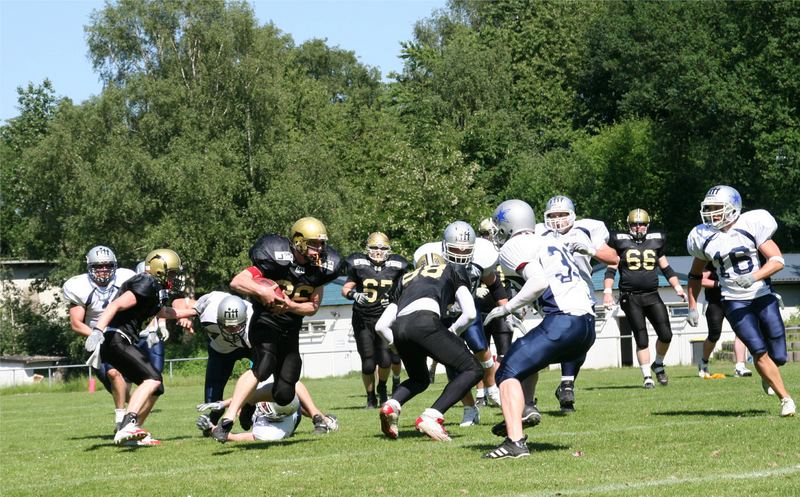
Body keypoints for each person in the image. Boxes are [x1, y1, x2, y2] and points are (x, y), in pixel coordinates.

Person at [212, 217, 344, 443]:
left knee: (285, 394)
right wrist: (261, 291)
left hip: (291, 329)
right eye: (315, 243)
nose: (320, 249)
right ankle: (227, 419)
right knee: (263, 366)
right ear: (299, 241)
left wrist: (290, 306)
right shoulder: (275, 255)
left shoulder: (321, 267)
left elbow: (312, 307)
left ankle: (250, 402)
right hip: (266, 322)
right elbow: (237, 281)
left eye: (322, 244)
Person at [482, 199, 596, 459]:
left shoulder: (514, 245)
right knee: (525, 359)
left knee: (506, 372)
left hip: (563, 322)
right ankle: (526, 408)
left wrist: (506, 308)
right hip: (587, 325)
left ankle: (515, 442)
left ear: (508, 225)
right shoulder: (550, 240)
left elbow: (538, 282)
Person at [686, 185, 795, 417]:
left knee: (779, 356)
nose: (712, 213)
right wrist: (692, 305)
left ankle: (769, 376)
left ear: (733, 208)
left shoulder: (750, 225)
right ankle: (785, 399)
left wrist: (754, 276)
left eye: (717, 208)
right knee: (757, 350)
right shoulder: (704, 237)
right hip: (733, 302)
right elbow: (695, 275)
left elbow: (777, 260)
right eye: (710, 209)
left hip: (761, 296)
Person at [375, 221, 483, 441]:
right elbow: (470, 313)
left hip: (400, 328)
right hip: (425, 322)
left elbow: (381, 326)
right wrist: (452, 332)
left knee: (419, 378)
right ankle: (432, 416)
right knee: (473, 369)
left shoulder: (404, 279)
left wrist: (396, 344)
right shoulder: (453, 268)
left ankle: (391, 405)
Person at [90, 248, 200, 445]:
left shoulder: (156, 289)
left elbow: (164, 312)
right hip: (117, 338)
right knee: (152, 379)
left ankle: (134, 433)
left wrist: (194, 311)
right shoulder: (146, 282)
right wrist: (98, 331)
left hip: (121, 340)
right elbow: (115, 305)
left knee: (157, 388)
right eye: (173, 272)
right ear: (160, 269)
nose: (175, 277)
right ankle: (128, 424)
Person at [411, 221, 512, 427]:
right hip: (443, 314)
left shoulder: (480, 260)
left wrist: (507, 309)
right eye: (455, 249)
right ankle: (469, 408)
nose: (460, 254)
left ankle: (492, 388)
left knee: (481, 348)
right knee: (453, 364)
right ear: (444, 246)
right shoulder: (433, 261)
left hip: (468, 310)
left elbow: (493, 281)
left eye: (465, 250)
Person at [535, 195, 619, 412]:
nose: (558, 219)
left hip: (583, 293)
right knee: (558, 341)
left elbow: (614, 258)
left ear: (572, 215)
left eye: (562, 214)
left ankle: (566, 384)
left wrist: (589, 250)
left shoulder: (587, 229)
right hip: (553, 295)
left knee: (583, 341)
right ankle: (563, 385)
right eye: (553, 215)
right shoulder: (538, 232)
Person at [604, 208, 685, 388]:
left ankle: (658, 364)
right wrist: (608, 292)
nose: (638, 227)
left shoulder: (657, 240)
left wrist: (678, 287)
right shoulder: (619, 241)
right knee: (641, 337)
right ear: (629, 225)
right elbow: (610, 269)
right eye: (634, 224)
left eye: (641, 224)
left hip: (652, 294)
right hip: (630, 296)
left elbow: (666, 268)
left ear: (647, 225)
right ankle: (647, 376)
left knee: (666, 335)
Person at [62, 245, 136, 432]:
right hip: (96, 340)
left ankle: (122, 418)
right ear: (89, 267)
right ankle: (132, 410)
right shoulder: (80, 287)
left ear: (115, 266)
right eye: (98, 266)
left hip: (122, 336)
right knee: (113, 380)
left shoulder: (125, 279)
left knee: (117, 376)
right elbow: (76, 323)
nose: (103, 270)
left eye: (107, 266)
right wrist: (97, 335)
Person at [342, 232, 408, 408]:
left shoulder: (397, 265)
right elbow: (346, 287)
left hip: (385, 319)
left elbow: (405, 289)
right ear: (367, 249)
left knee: (386, 361)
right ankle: (370, 397)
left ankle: (382, 388)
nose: (378, 252)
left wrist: (394, 300)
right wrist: (354, 294)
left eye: (382, 248)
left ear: (388, 250)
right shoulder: (358, 264)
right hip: (363, 318)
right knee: (368, 363)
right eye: (374, 248)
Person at [191, 292, 254, 432]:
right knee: (211, 402)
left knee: (258, 380)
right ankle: (212, 423)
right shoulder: (209, 310)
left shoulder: (254, 326)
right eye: (228, 327)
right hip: (220, 351)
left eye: (235, 327)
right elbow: (180, 302)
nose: (231, 332)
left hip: (250, 348)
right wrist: (185, 317)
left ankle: (249, 408)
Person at [196, 379, 338, 441]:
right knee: (293, 387)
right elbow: (248, 395)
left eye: (265, 405)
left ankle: (323, 419)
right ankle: (324, 419)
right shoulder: (272, 395)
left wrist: (211, 428)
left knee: (298, 405)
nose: (262, 404)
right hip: (288, 408)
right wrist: (223, 404)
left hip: (288, 416)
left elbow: (239, 437)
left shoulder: (273, 432)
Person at [696, 262, 753, 378]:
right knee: (714, 335)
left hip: (734, 300)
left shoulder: (738, 260)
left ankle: (740, 366)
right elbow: (701, 280)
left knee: (741, 331)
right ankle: (704, 362)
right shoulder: (713, 260)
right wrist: (720, 284)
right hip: (715, 301)